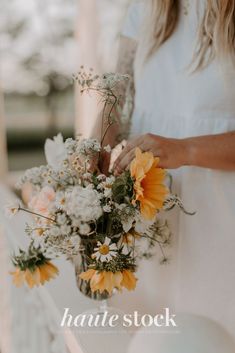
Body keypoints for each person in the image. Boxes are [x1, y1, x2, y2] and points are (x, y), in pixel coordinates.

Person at [95, 0, 235, 341]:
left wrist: (184, 149)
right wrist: (96, 144)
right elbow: (119, 89)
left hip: (222, 224)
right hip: (151, 221)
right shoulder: (145, 7)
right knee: (147, 335)